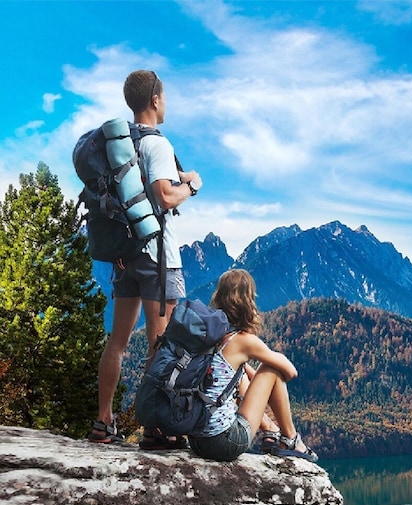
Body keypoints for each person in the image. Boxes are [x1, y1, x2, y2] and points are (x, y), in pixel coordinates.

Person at [88, 70, 202, 446]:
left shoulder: (120, 145)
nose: (166, 102)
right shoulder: (158, 144)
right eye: (164, 96)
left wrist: (176, 175)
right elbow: (164, 197)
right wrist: (191, 185)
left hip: (124, 256)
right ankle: (155, 428)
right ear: (154, 99)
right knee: (160, 343)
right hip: (157, 258)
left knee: (117, 342)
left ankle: (104, 422)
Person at [188, 269, 317, 463]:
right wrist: (273, 361)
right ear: (247, 301)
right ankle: (291, 439)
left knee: (242, 373)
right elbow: (291, 372)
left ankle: (271, 431)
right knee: (272, 369)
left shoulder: (209, 335)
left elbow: (238, 378)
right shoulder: (242, 340)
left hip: (197, 440)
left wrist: (252, 375)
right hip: (224, 443)